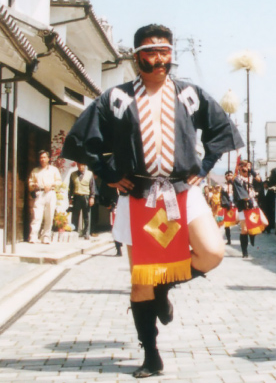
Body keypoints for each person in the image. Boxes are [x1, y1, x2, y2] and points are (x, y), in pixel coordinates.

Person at [62, 24, 242, 378]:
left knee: (212, 252)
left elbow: (222, 129)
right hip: (139, 194)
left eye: (165, 52)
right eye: (151, 52)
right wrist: (109, 174)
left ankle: (164, 286)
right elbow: (82, 140)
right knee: (140, 280)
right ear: (136, 56)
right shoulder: (117, 98)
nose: (159, 60)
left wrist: (204, 167)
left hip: (182, 190)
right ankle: (151, 353)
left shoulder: (190, 94)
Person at [233, 160, 267, 258]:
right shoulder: (237, 179)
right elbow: (241, 193)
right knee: (244, 229)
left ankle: (252, 233)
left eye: (247, 169)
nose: (245, 171)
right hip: (243, 206)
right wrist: (247, 198)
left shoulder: (251, 177)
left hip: (253, 204)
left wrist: (251, 170)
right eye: (244, 169)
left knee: (264, 223)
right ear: (240, 168)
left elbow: (259, 180)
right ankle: (244, 251)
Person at [28, 150, 62, 244]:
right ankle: (33, 237)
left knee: (49, 216)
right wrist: (33, 185)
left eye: (44, 157)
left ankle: (46, 237)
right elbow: (30, 183)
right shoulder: (35, 171)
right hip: (39, 193)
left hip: (50, 193)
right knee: (37, 216)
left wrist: (51, 185)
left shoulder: (54, 170)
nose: (42, 159)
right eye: (41, 158)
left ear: (48, 159)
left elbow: (59, 181)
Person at [68, 163, 95, 239]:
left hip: (86, 196)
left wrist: (92, 197)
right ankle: (75, 232)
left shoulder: (90, 174)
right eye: (79, 165)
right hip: (76, 196)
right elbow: (71, 187)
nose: (80, 167)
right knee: (75, 215)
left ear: (85, 165)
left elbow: (92, 186)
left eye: (82, 165)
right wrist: (70, 198)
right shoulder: (73, 174)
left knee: (86, 216)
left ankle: (86, 233)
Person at [220, 170, 238, 245]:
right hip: (228, 206)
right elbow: (223, 197)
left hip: (236, 206)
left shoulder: (236, 185)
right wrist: (226, 204)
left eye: (231, 175)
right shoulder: (224, 186)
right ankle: (229, 239)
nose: (230, 176)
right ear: (226, 177)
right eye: (228, 175)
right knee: (227, 225)